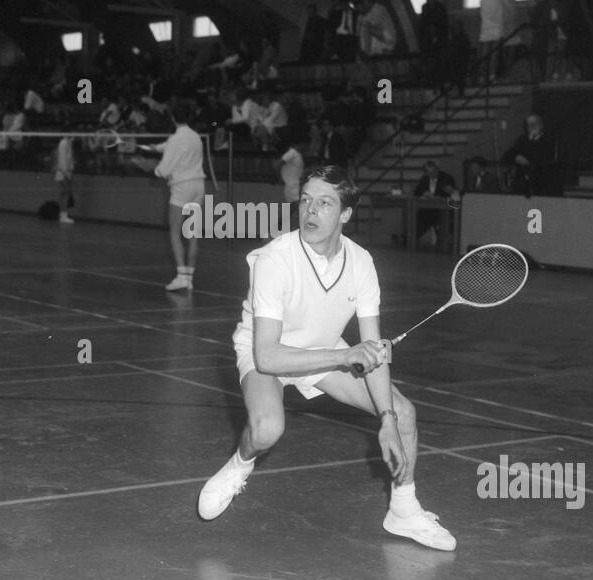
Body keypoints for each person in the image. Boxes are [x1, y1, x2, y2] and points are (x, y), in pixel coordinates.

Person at [195, 165, 456, 551]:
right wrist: (347, 355)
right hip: (267, 348)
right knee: (267, 428)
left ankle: (403, 509)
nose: (310, 211)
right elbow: (267, 357)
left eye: (324, 203)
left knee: (404, 415)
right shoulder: (275, 260)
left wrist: (386, 418)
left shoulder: (361, 262)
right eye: (306, 201)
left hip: (324, 346)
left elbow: (372, 350)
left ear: (346, 214)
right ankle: (240, 464)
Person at [151, 99, 206, 292]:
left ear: (173, 118)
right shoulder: (196, 137)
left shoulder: (176, 139)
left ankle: (181, 276)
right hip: (198, 186)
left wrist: (155, 170)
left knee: (175, 231)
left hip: (182, 187)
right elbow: (171, 147)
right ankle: (188, 278)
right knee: (192, 234)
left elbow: (164, 169)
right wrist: (155, 148)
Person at [503, 114, 562, 196]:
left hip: (543, 181)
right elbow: (507, 155)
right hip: (523, 182)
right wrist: (516, 157)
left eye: (533, 124)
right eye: (529, 125)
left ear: (541, 125)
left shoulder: (548, 139)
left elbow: (544, 156)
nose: (531, 127)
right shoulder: (522, 139)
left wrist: (532, 141)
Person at [409, 160, 459, 248]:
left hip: (444, 208)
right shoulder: (425, 178)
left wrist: (440, 197)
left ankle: (410, 238)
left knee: (429, 217)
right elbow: (417, 190)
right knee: (418, 216)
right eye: (429, 173)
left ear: (437, 169)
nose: (432, 174)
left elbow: (451, 193)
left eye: (434, 172)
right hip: (428, 206)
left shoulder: (446, 178)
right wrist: (424, 193)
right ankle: (409, 238)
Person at [478, 0, 505, 82]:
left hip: (485, 31)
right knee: (494, 55)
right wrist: (502, 33)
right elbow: (500, 18)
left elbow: (480, 17)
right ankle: (492, 75)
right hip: (496, 31)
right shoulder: (498, 2)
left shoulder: (482, 2)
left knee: (484, 56)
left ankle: (482, 76)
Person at [53, 133, 75, 226]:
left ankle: (63, 215)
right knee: (65, 194)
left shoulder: (68, 143)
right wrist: (66, 173)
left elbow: (69, 158)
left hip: (66, 171)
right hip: (63, 172)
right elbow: (62, 159)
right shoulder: (63, 143)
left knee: (64, 193)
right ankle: (63, 216)